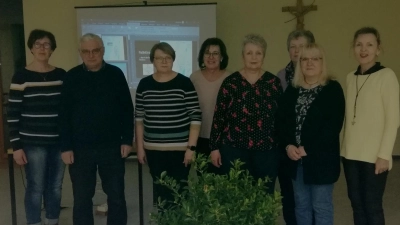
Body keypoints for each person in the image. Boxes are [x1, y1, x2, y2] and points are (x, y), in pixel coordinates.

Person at [59, 33, 133, 225]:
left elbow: (126, 109)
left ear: (103, 50)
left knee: (116, 196)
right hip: (80, 149)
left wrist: (127, 139)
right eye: (86, 51)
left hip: (112, 147)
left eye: (96, 50)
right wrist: (65, 147)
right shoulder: (71, 77)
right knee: (82, 199)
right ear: (80, 53)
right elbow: (63, 114)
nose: (91, 55)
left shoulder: (116, 74)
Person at [277, 43, 345, 225]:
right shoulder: (292, 89)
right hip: (296, 160)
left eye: (315, 58)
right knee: (301, 205)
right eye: (305, 59)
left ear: (323, 62)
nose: (309, 62)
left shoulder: (333, 89)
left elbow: (333, 126)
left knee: (321, 206)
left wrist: (309, 149)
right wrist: (288, 146)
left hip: (321, 160)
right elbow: (282, 123)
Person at [209, 34, 282, 194]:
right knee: (236, 197)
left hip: (266, 151)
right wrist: (214, 147)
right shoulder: (231, 82)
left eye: (258, 53)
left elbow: (280, 119)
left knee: (263, 196)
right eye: (249, 53)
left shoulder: (273, 83)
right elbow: (219, 116)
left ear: (264, 56)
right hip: (234, 150)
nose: (254, 57)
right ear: (243, 56)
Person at [341, 27, 399, 225]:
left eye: (369, 45)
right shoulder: (350, 77)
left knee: (372, 205)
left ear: (378, 49)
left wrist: (384, 154)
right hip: (350, 154)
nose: (363, 50)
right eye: (359, 45)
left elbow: (393, 119)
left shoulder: (387, 76)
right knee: (356, 204)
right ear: (353, 48)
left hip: (374, 156)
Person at [7, 29, 65, 225]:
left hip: (58, 141)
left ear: (52, 49)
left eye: (46, 44)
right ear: (31, 48)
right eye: (38, 44)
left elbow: (67, 110)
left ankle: (52, 221)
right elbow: (12, 114)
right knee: (36, 186)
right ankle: (34, 222)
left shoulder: (61, 75)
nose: (42, 48)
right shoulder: (21, 76)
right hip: (32, 143)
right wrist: (16, 147)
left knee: (56, 186)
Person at [135, 42, 201, 209]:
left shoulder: (184, 83)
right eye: (160, 58)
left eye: (168, 57)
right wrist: (140, 148)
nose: (164, 61)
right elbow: (139, 119)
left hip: (180, 151)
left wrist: (191, 148)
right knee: (161, 191)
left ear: (173, 59)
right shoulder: (144, 84)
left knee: (179, 192)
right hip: (153, 150)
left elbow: (195, 116)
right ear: (152, 61)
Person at [277, 29, 315, 225]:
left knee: (313, 199)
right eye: (293, 47)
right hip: (286, 146)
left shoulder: (318, 76)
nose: (297, 51)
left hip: (311, 148)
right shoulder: (281, 76)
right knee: (289, 195)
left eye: (301, 46)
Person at [190, 37, 230, 174]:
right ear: (202, 56)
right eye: (207, 53)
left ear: (222, 57)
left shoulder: (231, 78)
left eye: (215, 53)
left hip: (223, 140)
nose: (211, 57)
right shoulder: (194, 77)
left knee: (223, 183)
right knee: (204, 183)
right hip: (200, 138)